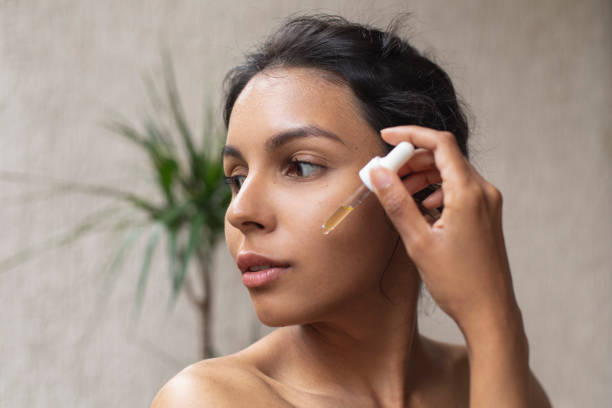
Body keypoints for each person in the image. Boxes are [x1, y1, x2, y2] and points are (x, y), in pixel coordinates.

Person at [152, 14, 551, 407]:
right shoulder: (207, 400)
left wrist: (491, 317)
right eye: (236, 178)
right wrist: (494, 321)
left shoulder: (498, 379)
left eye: (300, 166)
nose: (240, 211)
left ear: (416, 180)